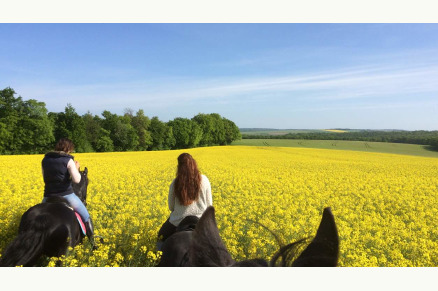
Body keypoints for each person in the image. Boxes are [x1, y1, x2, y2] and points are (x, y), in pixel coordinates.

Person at [41, 138, 94, 240]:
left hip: (48, 196)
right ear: (68, 148)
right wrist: (76, 168)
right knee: (86, 217)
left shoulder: (45, 159)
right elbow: (77, 180)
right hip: (66, 195)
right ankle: (93, 243)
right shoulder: (68, 160)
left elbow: (45, 178)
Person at [157, 153, 212, 247]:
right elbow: (209, 205)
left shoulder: (175, 183)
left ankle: (158, 259)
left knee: (160, 238)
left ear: (179, 166)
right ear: (194, 163)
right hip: (201, 220)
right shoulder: (205, 180)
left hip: (178, 221)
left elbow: (171, 207)